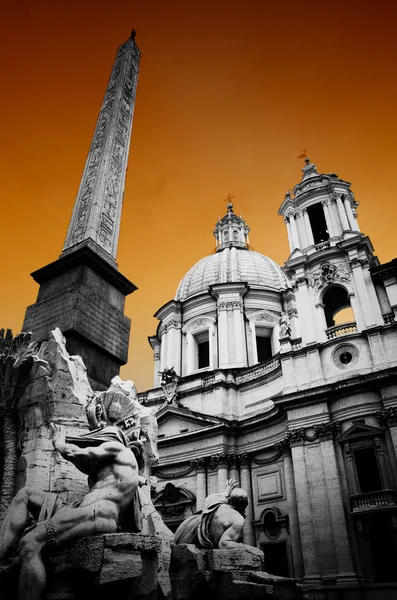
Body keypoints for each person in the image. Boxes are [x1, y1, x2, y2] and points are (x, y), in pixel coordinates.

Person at [0, 422, 139, 600]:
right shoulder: (109, 467)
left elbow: (78, 453)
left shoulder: (119, 448)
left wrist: (59, 442)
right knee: (26, 494)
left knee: (30, 543)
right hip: (81, 510)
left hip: (98, 514)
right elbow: (84, 462)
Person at [174, 479, 262, 557]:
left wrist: (226, 491)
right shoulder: (238, 519)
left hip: (184, 530)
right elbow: (223, 544)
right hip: (192, 544)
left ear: (229, 500)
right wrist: (249, 548)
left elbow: (214, 497)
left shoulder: (215, 501)